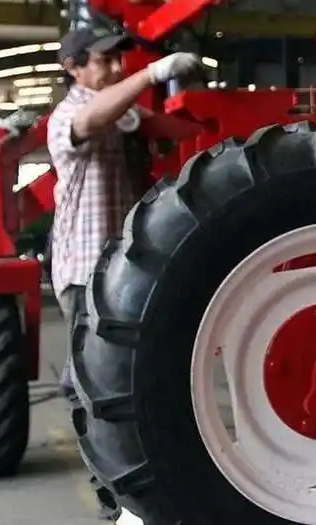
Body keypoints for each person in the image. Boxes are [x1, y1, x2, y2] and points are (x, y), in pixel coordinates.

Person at [47, 25, 202, 398]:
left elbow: (184, 131)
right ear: (73, 67)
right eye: (105, 61)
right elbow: (88, 121)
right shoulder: (66, 116)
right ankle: (95, 447)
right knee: (90, 377)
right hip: (85, 270)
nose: (117, 68)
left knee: (122, 372)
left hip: (122, 267)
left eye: (120, 60)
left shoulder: (123, 115)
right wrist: (151, 74)